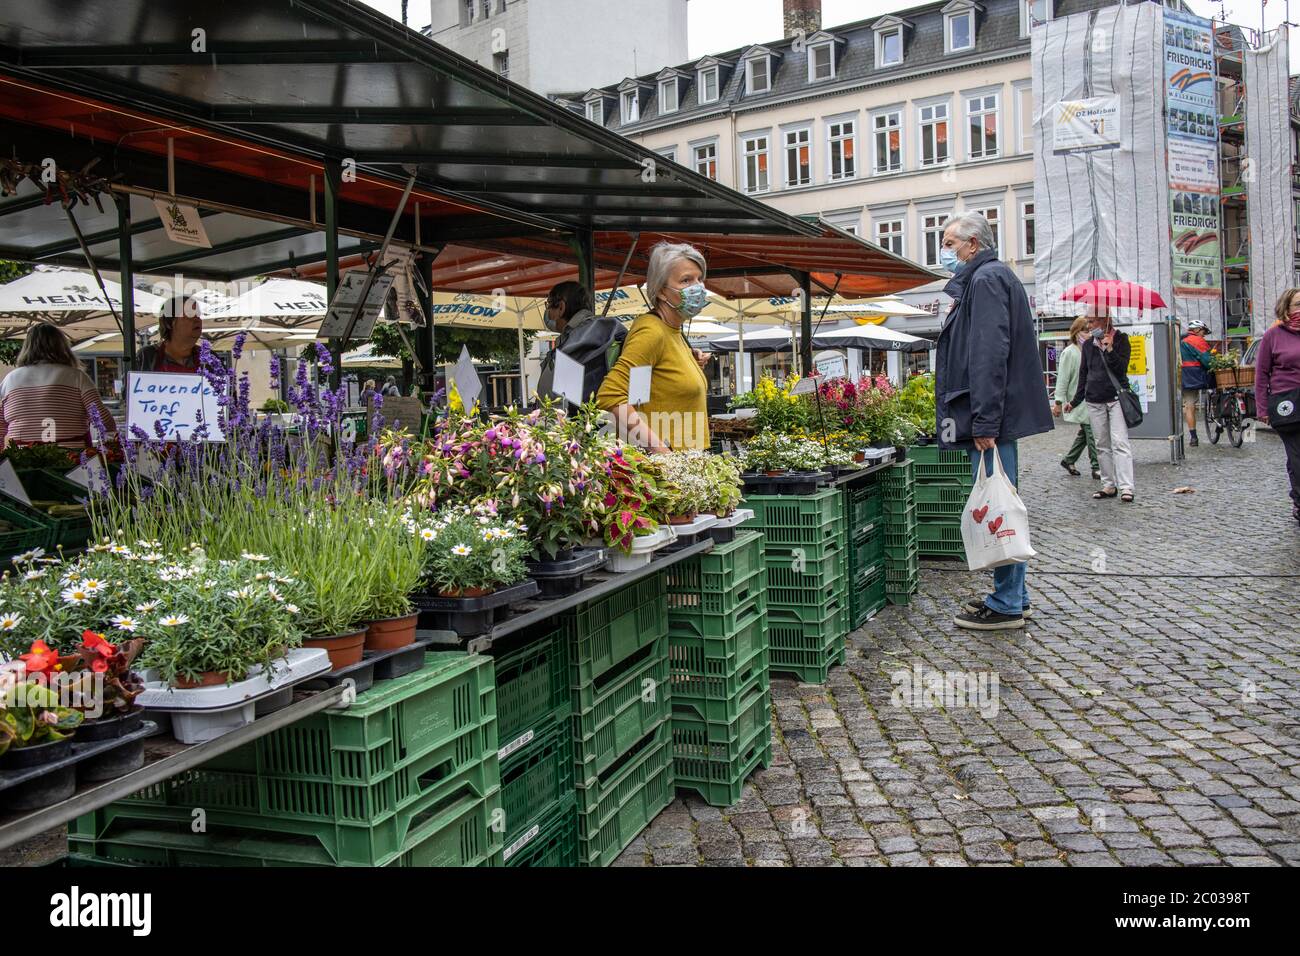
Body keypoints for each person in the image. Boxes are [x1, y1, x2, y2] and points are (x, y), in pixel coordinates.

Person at [934, 212, 1053, 631]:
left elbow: (987, 355)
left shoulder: (984, 281)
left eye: (949, 243)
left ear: (972, 244)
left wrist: (984, 422)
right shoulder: (993, 278)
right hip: (996, 416)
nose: (944, 251)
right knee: (1002, 501)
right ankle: (1014, 595)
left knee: (998, 507)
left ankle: (1005, 603)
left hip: (991, 419)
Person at [596, 242, 713, 452]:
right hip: (671, 470)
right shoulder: (652, 332)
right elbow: (610, 395)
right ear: (661, 291)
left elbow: (663, 384)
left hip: (689, 463)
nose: (697, 287)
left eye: (699, 278)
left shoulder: (672, 330)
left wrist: (692, 365)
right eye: (686, 280)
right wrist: (664, 456)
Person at [0, 322, 117, 448]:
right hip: (72, 460)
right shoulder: (77, 377)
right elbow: (104, 422)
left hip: (21, 461)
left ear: (27, 347)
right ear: (62, 346)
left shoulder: (9, 380)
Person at [1065, 309, 1135, 503]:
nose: (1089, 326)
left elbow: (1121, 370)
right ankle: (1108, 485)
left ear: (1105, 320)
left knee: (1120, 442)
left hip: (1115, 398)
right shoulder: (1088, 345)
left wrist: (1110, 349)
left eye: (1092, 321)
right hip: (1094, 399)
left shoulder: (1121, 340)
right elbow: (1084, 374)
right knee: (1102, 444)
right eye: (1088, 321)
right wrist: (1075, 401)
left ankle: (1127, 487)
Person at [535, 281, 628, 404]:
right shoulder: (608, 328)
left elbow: (560, 399)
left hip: (579, 419)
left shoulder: (576, 341)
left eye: (549, 306)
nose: (548, 313)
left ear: (561, 307)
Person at [1255, 288, 1300, 527]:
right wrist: (1262, 408)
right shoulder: (1273, 336)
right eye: (1298, 305)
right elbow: (1262, 374)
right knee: (1297, 455)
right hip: (1288, 402)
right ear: (1286, 308)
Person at [1053, 316, 1100, 479]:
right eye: (1085, 331)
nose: (1088, 334)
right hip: (1077, 399)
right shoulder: (1069, 352)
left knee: (1085, 433)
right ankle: (1096, 466)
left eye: (1089, 331)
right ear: (1076, 332)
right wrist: (1058, 402)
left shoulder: (1091, 349)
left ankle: (1069, 459)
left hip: (1091, 396)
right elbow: (1063, 378)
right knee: (1091, 430)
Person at [138, 294, 203, 372]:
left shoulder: (209, 358)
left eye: (198, 314)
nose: (197, 319)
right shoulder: (147, 356)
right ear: (169, 323)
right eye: (190, 314)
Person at [1180, 317, 1213, 446]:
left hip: (1185, 377)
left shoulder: (1181, 340)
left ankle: (1193, 437)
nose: (1204, 335)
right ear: (1198, 330)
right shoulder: (1197, 341)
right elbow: (1208, 361)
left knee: (1189, 406)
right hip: (1198, 376)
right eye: (1203, 332)